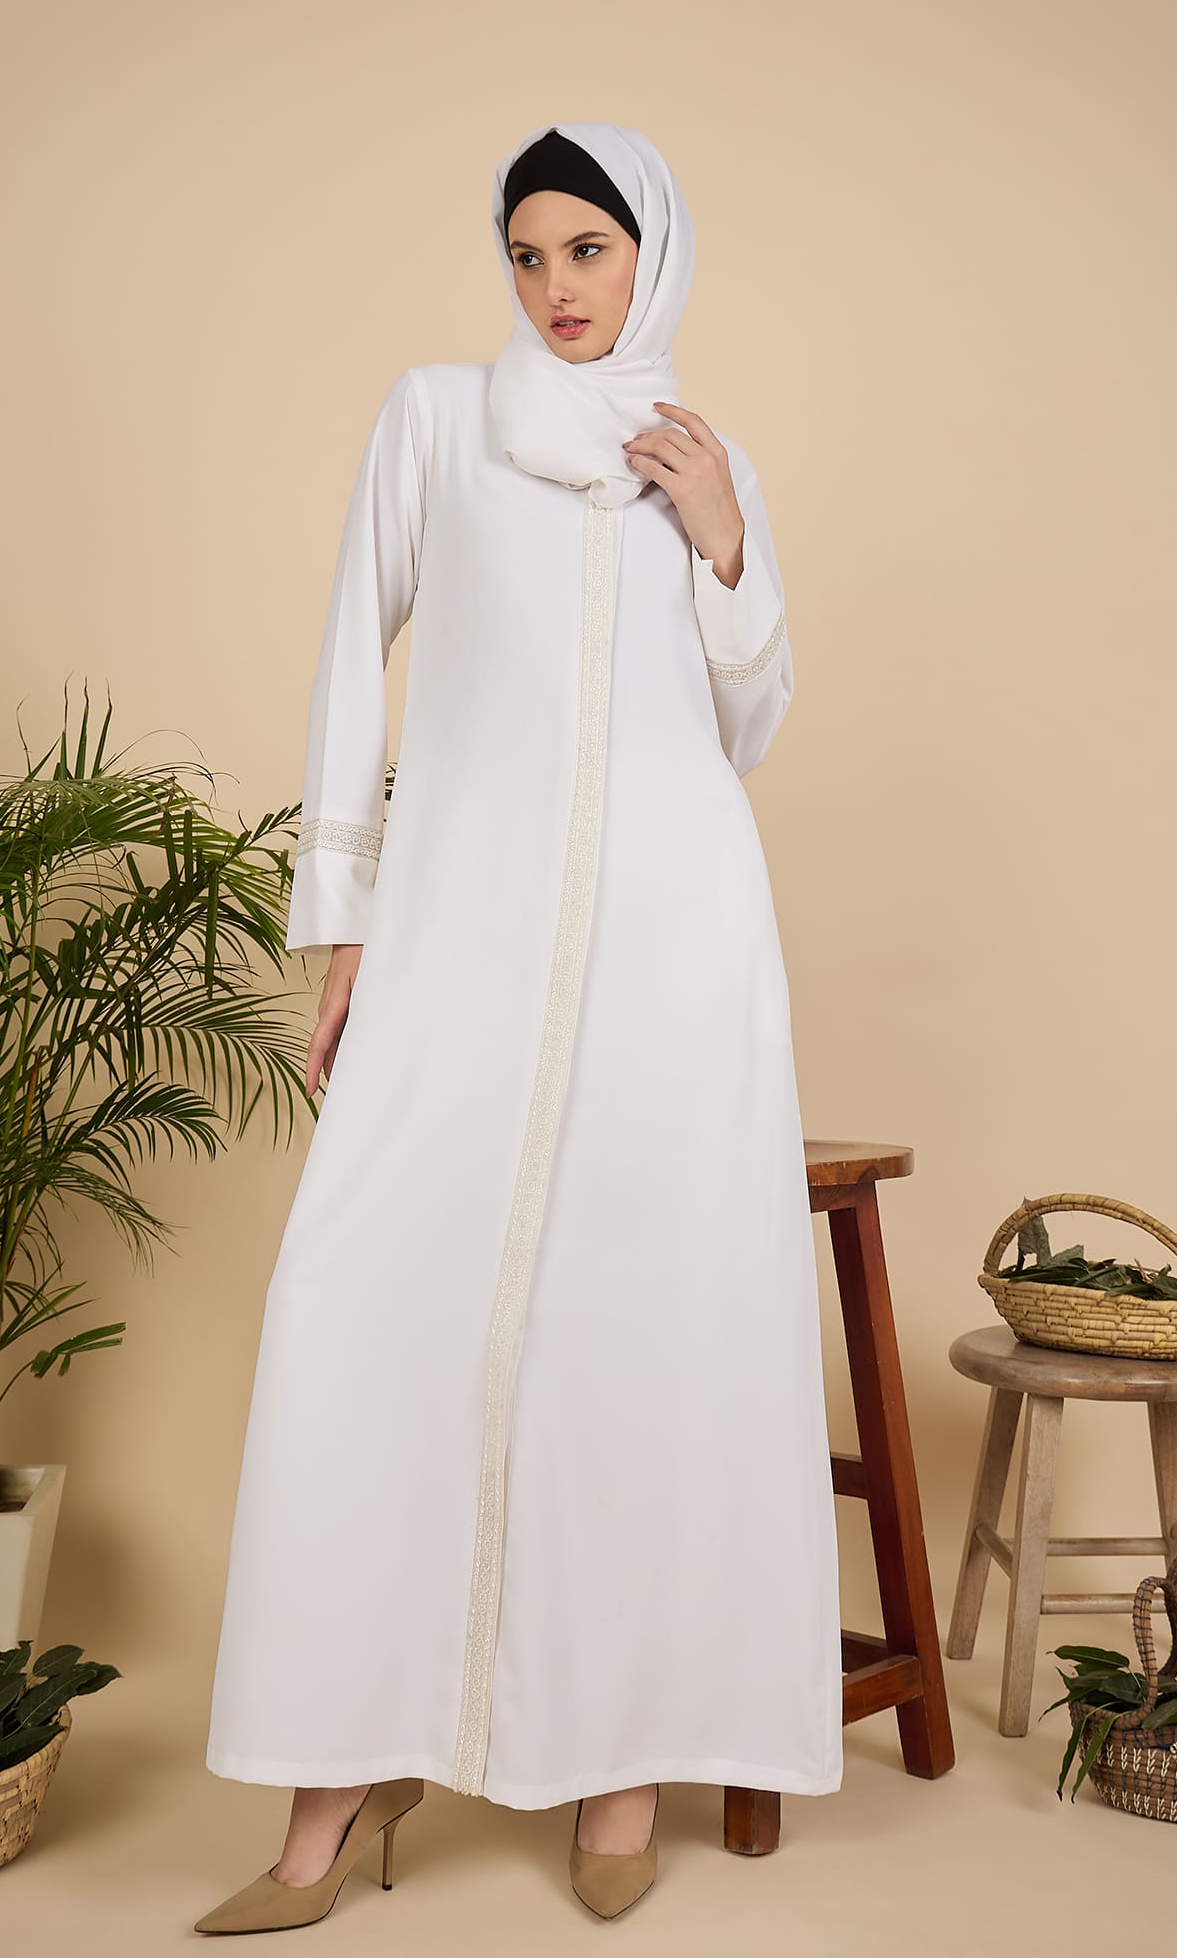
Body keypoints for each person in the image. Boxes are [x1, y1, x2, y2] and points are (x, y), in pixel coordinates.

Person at [195, 120, 842, 1935]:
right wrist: (342, 928)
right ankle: (338, 1781)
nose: (558, 287)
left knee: (630, 1332)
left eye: (590, 250)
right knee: (361, 1305)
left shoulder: (704, 458)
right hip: (461, 925)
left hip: (673, 945)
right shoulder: (434, 421)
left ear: (655, 256)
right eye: (529, 253)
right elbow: (352, 657)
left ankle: (617, 1768)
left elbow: (748, 721)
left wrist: (723, 541)